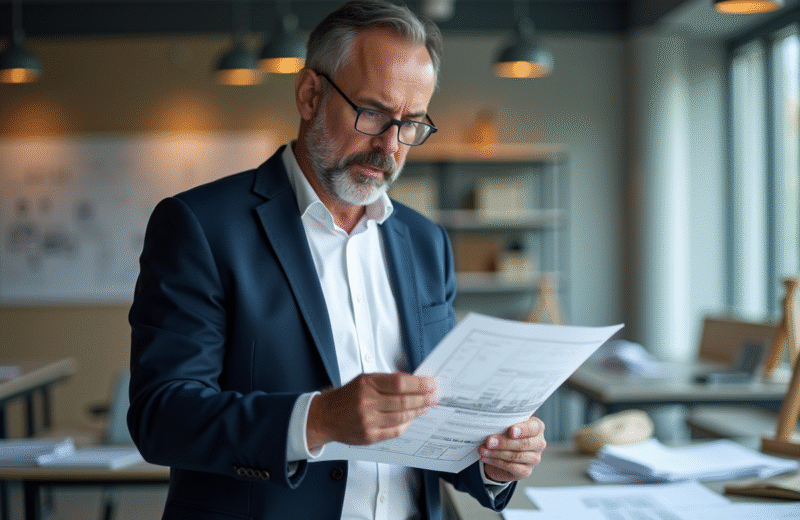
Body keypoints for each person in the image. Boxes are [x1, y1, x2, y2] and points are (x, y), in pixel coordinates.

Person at [127, 1, 546, 518]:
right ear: (309, 94)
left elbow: (436, 429)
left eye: (411, 123)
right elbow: (161, 416)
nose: (390, 146)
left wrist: (492, 461)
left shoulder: (425, 242)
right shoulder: (200, 226)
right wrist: (317, 418)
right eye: (373, 113)